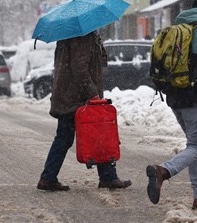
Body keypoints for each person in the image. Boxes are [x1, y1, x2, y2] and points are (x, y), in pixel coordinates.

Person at [146, 0, 197, 210]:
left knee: (193, 144)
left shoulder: (176, 29)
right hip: (196, 97)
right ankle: (164, 171)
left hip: (174, 96)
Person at [37, 31, 132, 192]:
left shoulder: (71, 35)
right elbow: (79, 68)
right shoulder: (81, 36)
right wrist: (92, 93)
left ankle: (107, 176)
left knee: (88, 135)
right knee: (78, 136)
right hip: (76, 98)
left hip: (70, 95)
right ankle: (48, 178)